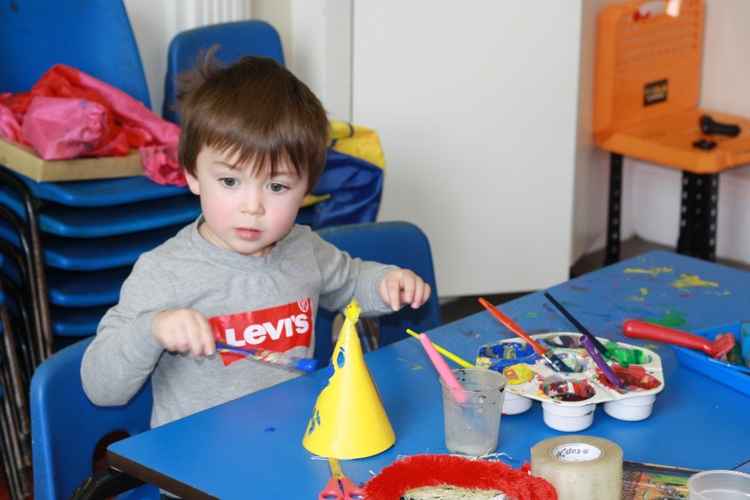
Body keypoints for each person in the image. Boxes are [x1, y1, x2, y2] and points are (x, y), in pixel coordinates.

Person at [81, 56, 431, 429]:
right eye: (230, 182)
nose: (253, 207)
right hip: (197, 469)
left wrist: (387, 282)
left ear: (306, 191)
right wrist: (152, 329)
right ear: (194, 176)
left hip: (289, 443)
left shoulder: (304, 249)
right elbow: (101, 388)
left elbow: (351, 282)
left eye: (277, 186)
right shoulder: (165, 272)